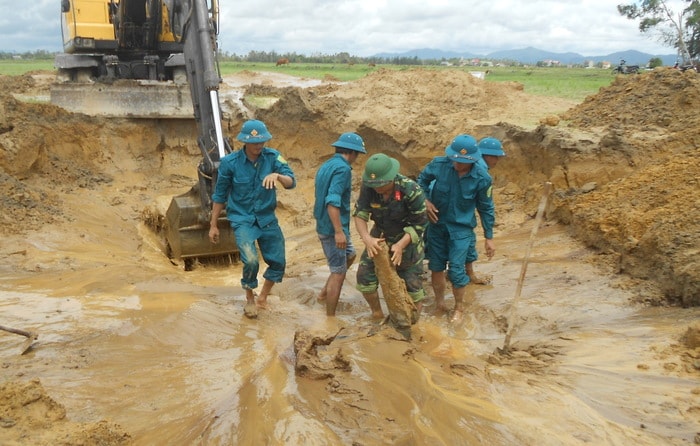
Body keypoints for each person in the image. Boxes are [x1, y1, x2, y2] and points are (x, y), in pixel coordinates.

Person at [208, 119, 296, 319]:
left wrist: (278, 177)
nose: (259, 145)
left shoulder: (274, 157)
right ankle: (249, 298)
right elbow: (219, 195)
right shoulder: (230, 163)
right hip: (242, 218)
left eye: (262, 141)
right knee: (250, 260)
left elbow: (291, 182)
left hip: (267, 218)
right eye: (255, 142)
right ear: (244, 142)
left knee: (278, 261)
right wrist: (213, 225)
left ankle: (263, 297)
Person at [417, 134, 495, 323]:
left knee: (457, 270)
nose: (456, 165)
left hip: (461, 230)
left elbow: (486, 207)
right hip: (437, 225)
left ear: (473, 160)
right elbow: (421, 181)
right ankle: (440, 304)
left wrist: (489, 237)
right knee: (435, 266)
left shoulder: (482, 178)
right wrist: (425, 200)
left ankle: (459, 308)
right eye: (454, 160)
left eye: (461, 162)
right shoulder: (439, 164)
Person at [353, 153, 428, 320]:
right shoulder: (369, 187)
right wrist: (366, 238)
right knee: (364, 277)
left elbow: (420, 225)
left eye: (381, 184)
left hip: (407, 238)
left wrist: (401, 245)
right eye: (374, 185)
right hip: (379, 235)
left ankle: (413, 322)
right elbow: (360, 214)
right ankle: (377, 313)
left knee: (412, 285)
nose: (377, 189)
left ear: (391, 177)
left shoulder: (411, 190)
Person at [314, 132, 367, 316]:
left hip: (326, 224)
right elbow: (332, 201)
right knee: (339, 273)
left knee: (350, 255)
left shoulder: (327, 164)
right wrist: (338, 231)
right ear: (352, 153)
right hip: (332, 228)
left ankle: (323, 294)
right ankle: (330, 317)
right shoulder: (343, 170)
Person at [466, 136, 506, 284]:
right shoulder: (482, 173)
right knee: (467, 239)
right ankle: (467, 274)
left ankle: (454, 271)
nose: (497, 161)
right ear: (488, 155)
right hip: (460, 211)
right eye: (496, 157)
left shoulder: (466, 162)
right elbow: (486, 206)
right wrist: (489, 237)